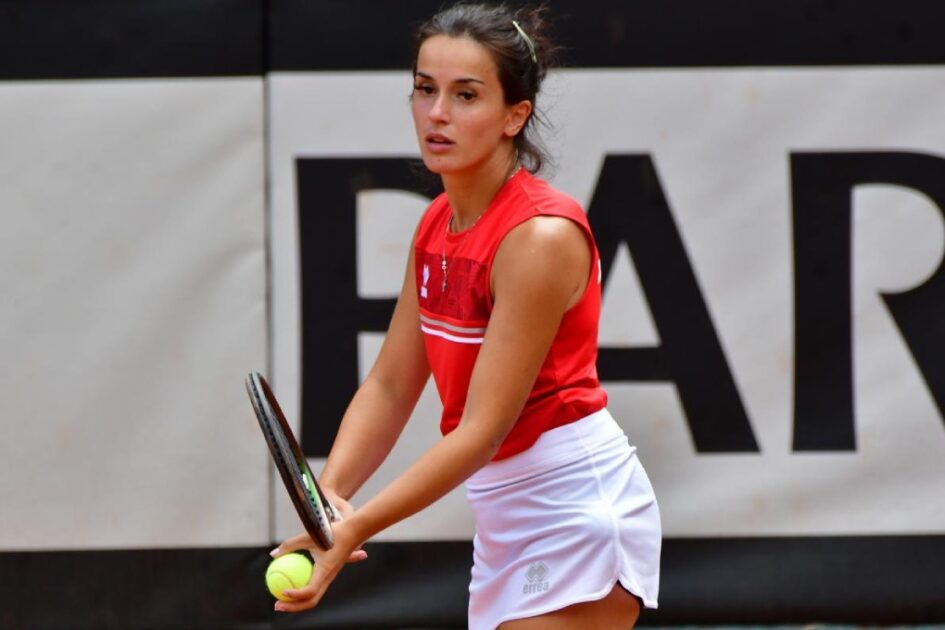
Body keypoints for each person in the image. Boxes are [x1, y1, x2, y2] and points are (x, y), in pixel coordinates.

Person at [270, 3, 661, 628]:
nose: (437, 113)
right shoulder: (436, 224)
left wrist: (358, 528)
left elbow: (483, 431)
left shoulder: (538, 238)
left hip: (575, 510)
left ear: (515, 115)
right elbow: (391, 385)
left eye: (466, 95)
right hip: (505, 518)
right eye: (425, 89)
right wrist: (331, 500)